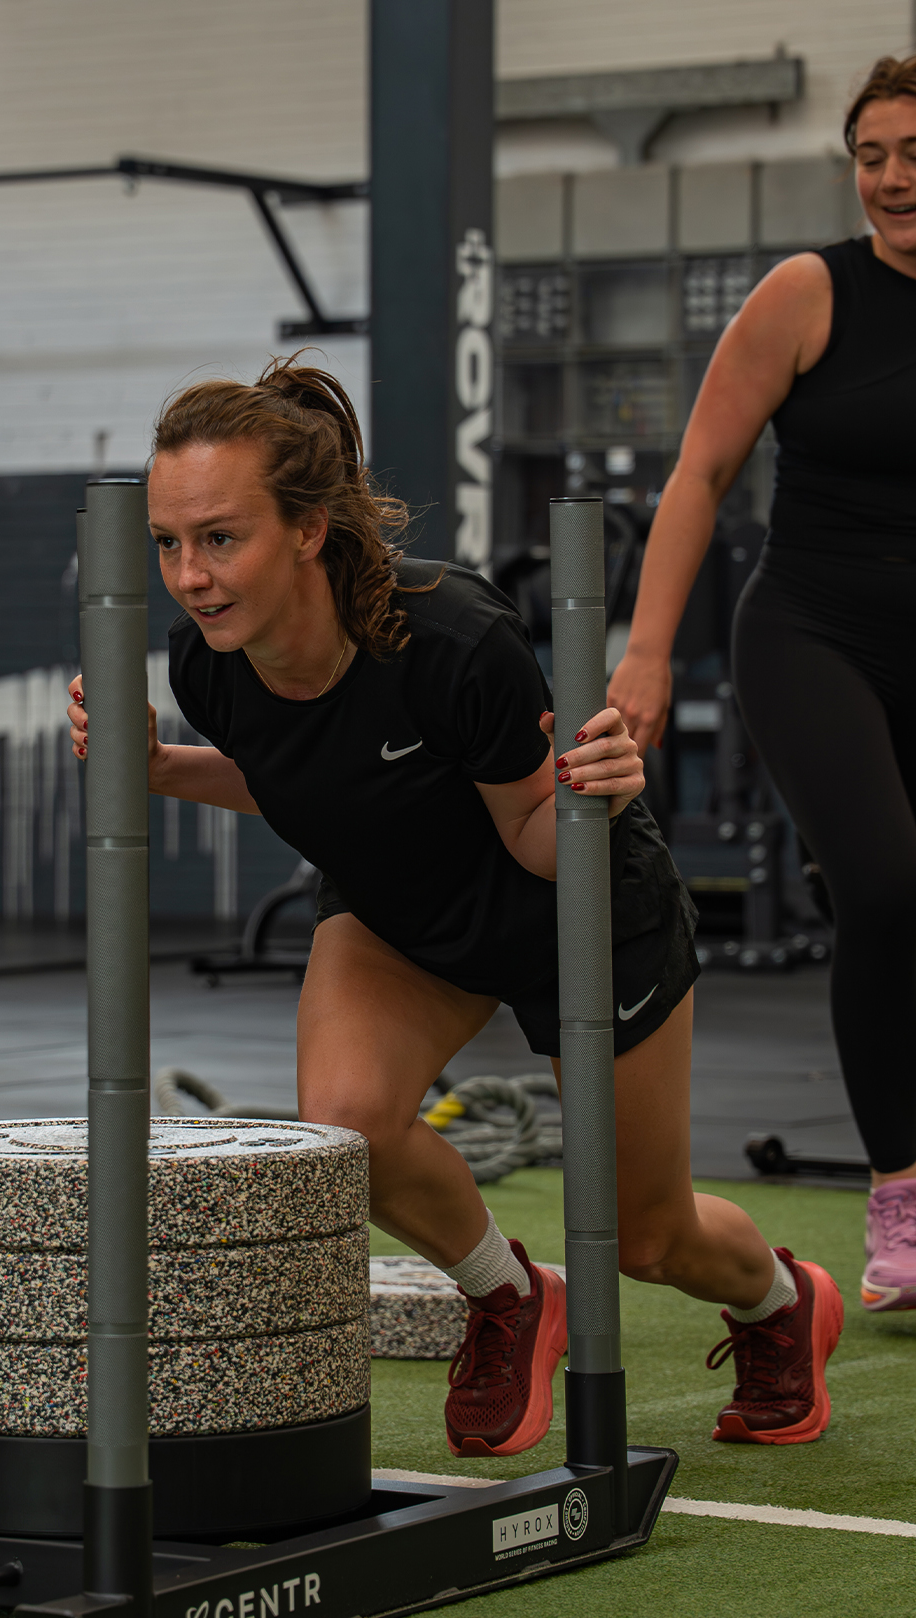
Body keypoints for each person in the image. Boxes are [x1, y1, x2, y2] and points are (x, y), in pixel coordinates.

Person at [68, 357, 842, 1456]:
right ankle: (508, 1294)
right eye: (169, 543)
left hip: (567, 900)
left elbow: (533, 835)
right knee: (347, 1128)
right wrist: (157, 765)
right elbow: (299, 775)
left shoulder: (452, 640)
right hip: (404, 910)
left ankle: (780, 1303)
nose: (190, 575)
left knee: (648, 1235)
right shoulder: (213, 667)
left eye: (220, 538)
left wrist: (593, 789)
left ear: (308, 529)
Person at [608, 55, 916, 1316]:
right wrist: (644, 650)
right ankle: (903, 1200)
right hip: (811, 632)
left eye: (914, 151)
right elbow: (700, 473)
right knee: (888, 884)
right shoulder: (810, 291)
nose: (894, 177)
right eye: (874, 153)